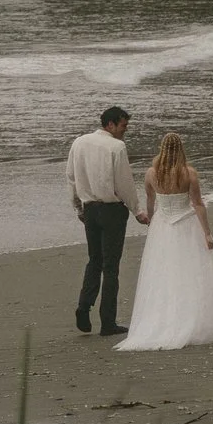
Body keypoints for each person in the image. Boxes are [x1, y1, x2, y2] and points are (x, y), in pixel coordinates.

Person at [116, 131, 213, 352]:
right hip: (186, 225)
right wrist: (206, 233)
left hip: (163, 227)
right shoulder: (189, 173)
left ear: (162, 148)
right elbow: (198, 204)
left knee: (164, 273)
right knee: (193, 271)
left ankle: (165, 320)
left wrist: (151, 221)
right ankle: (196, 319)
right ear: (181, 149)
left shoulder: (150, 174)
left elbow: (150, 200)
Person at [67, 105, 147, 336]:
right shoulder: (116, 146)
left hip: (89, 209)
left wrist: (77, 206)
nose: (125, 131)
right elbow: (124, 184)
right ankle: (108, 322)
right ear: (110, 124)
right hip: (111, 210)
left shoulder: (79, 142)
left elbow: (71, 177)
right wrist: (137, 210)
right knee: (110, 267)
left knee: (94, 260)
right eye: (123, 126)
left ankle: (84, 305)